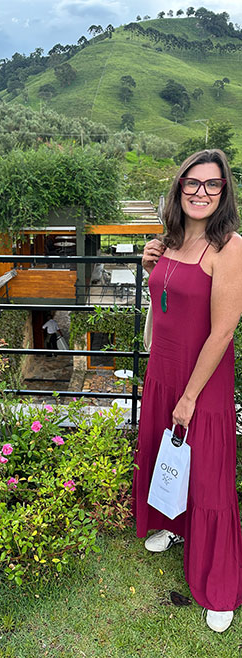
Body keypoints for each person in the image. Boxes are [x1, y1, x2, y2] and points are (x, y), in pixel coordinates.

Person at [136, 148, 242, 633]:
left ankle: (219, 585)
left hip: (202, 380)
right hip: (164, 368)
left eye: (212, 184)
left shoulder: (230, 247)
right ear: (179, 188)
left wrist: (190, 396)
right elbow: (164, 297)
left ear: (224, 193)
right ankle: (173, 526)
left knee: (210, 477)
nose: (201, 192)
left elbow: (222, 332)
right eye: (192, 183)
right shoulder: (170, 240)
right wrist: (147, 264)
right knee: (167, 454)